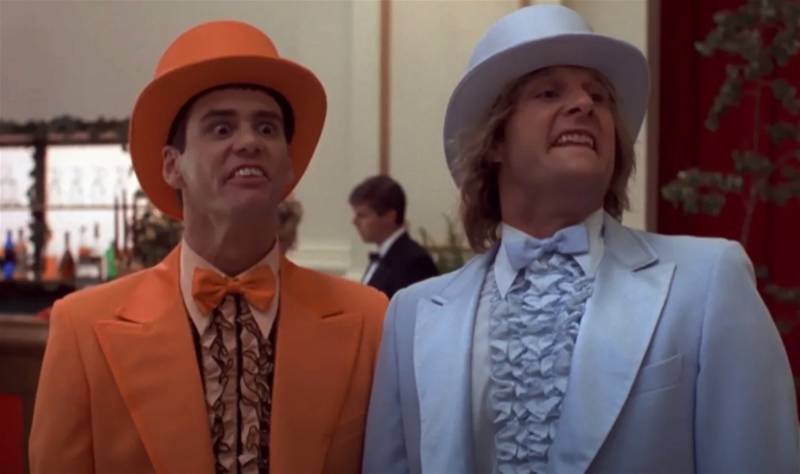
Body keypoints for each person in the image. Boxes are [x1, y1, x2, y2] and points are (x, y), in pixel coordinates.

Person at [363, 5, 799, 474]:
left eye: (599, 96)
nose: (584, 105)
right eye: (549, 92)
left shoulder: (709, 282)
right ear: (494, 141)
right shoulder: (411, 316)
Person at [30, 20, 388, 474]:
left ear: (288, 164)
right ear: (172, 165)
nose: (249, 142)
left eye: (267, 128)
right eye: (221, 128)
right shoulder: (83, 329)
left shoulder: (370, 320)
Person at [349, 175, 439, 298]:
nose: (354, 221)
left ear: (389, 216)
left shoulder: (415, 261)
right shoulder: (384, 256)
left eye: (362, 215)